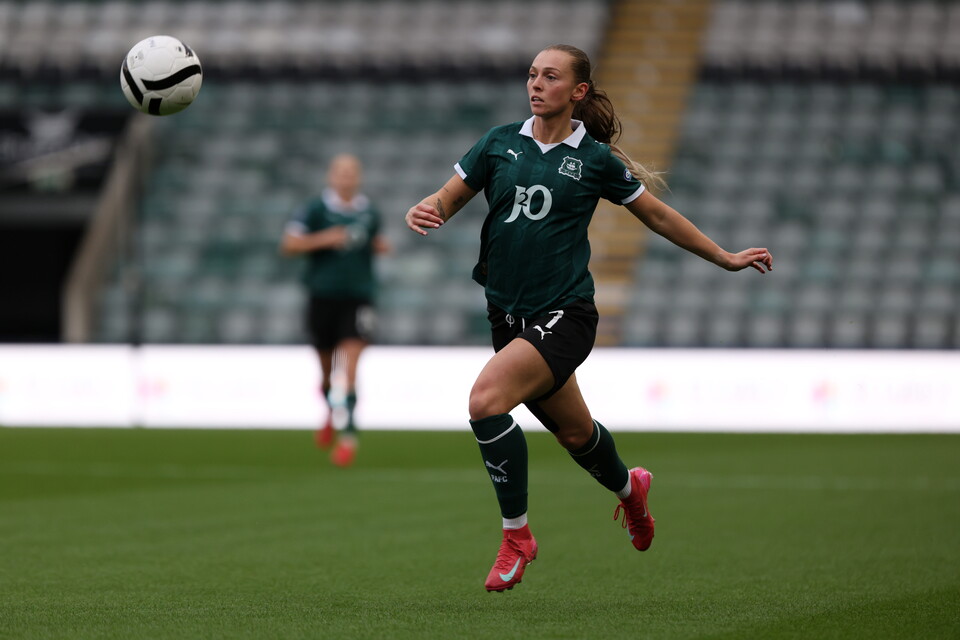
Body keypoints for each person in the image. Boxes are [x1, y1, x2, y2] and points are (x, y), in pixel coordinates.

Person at [405, 44, 772, 592]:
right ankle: (632, 491)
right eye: (532, 74)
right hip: (507, 314)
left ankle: (516, 536)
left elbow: (659, 215)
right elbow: (448, 198)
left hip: (566, 312)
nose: (536, 84)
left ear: (577, 91)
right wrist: (427, 207)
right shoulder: (499, 142)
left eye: (550, 76)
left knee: (485, 402)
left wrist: (723, 256)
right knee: (577, 434)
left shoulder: (596, 159)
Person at [281, 153, 388, 467]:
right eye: (341, 173)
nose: (346, 178)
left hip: (358, 297)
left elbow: (374, 240)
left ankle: (349, 437)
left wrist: (378, 246)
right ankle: (329, 412)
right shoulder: (315, 209)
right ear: (332, 177)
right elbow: (289, 244)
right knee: (327, 370)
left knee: (351, 366)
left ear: (358, 177)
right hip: (322, 297)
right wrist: (326, 238)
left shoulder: (370, 212)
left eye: (351, 173)